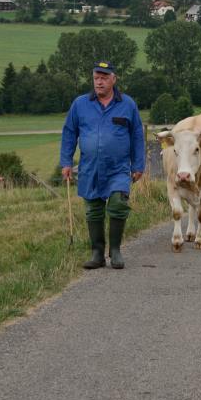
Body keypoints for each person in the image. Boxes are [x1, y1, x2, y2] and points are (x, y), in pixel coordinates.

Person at [61, 61, 145, 269]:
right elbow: (69, 133)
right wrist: (66, 162)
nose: (99, 82)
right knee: (94, 210)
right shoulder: (80, 104)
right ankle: (97, 253)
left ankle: (115, 250)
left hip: (118, 167)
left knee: (118, 203)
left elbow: (136, 135)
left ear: (113, 79)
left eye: (104, 78)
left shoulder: (127, 104)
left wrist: (139, 165)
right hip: (90, 167)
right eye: (96, 78)